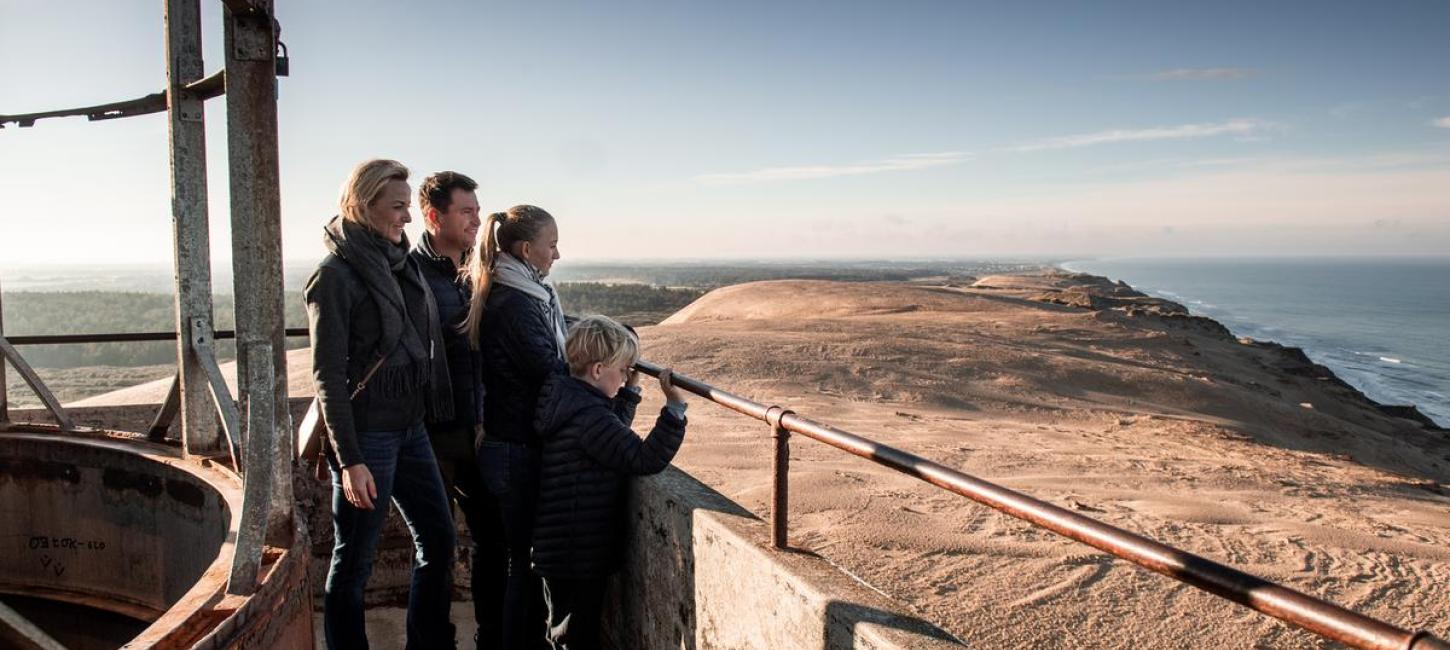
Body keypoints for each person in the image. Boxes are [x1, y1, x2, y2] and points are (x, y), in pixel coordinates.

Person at [305, 158, 457, 649]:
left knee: (439, 539)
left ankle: (428, 642)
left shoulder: (403, 263)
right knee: (353, 562)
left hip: (410, 427)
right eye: (397, 207)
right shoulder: (334, 277)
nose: (407, 218)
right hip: (368, 436)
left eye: (409, 207)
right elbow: (327, 373)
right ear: (362, 205)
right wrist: (350, 460)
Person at [532, 316, 688, 650]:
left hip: (561, 548)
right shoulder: (590, 417)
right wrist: (675, 409)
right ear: (599, 370)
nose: (625, 376)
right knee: (575, 638)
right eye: (622, 370)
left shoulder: (570, 399)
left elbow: (610, 435)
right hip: (578, 552)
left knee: (562, 631)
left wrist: (629, 393)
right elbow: (644, 458)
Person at [463, 204, 566, 648]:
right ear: (527, 249)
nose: (557, 254)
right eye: (552, 245)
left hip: (508, 445)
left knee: (516, 561)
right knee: (523, 565)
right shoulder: (518, 303)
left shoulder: (515, 291)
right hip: (515, 449)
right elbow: (550, 371)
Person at [410, 170, 506, 646]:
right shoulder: (409, 273)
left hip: (484, 427)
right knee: (435, 548)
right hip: (432, 433)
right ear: (434, 216)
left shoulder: (485, 268)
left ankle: (491, 637)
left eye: (476, 210)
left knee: (495, 540)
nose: (475, 219)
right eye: (465, 211)